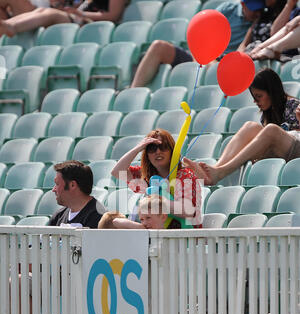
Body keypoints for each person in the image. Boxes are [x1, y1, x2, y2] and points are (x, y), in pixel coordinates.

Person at [183, 69, 300, 186]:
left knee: (271, 129)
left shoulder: (293, 105)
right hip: (279, 151)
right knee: (250, 126)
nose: (255, 101)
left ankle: (220, 172)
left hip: (296, 150)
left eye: (259, 96)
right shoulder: (267, 113)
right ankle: (215, 169)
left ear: (272, 92)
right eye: (254, 96)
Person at [131, 0, 265, 88]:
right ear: (242, 4)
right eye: (253, 9)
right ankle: (133, 90)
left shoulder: (261, 21)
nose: (257, 13)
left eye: (259, 8)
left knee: (211, 66)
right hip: (203, 56)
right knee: (158, 46)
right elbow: (202, 31)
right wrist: (200, 57)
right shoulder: (228, 8)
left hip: (224, 63)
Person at [111, 129, 202, 228]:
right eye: (152, 148)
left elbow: (187, 211)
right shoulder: (146, 175)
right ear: (147, 155)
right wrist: (138, 148)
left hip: (186, 238)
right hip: (157, 236)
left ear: (172, 150)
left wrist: (156, 200)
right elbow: (117, 172)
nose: (158, 151)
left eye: (163, 147)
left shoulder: (185, 175)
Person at [0, 0, 127, 38]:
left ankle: (12, 27)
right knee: (42, 11)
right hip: (76, 18)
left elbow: (113, 16)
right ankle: (8, 24)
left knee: (51, 14)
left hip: (88, 25)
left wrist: (81, 14)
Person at [49, 160, 104, 228]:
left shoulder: (98, 217)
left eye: (57, 184)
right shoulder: (58, 216)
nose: (53, 190)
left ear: (72, 185)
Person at [98, 195, 169, 230]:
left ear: (163, 217)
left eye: (148, 218)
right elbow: (115, 221)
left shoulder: (171, 236)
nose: (144, 223)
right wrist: (140, 227)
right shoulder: (142, 233)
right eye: (142, 219)